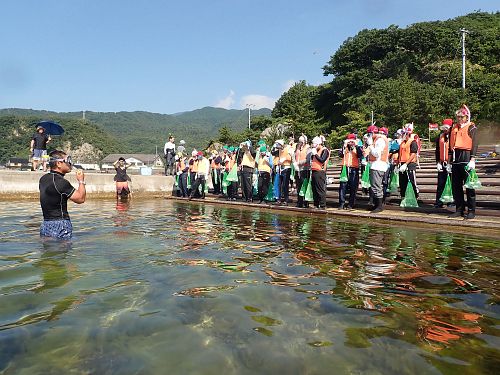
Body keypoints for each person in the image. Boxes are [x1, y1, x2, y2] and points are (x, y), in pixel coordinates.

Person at [39, 150, 86, 239]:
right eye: (68, 161)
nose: (70, 164)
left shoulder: (43, 179)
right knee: (63, 250)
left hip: (45, 224)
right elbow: (81, 199)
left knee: (49, 249)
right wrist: (81, 180)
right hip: (61, 224)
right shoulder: (61, 182)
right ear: (59, 163)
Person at [449, 105, 478, 219]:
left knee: (469, 186)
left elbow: (475, 143)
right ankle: (459, 209)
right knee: (456, 186)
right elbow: (451, 145)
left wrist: (473, 158)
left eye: (462, 117)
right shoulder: (454, 128)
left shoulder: (471, 128)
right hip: (456, 158)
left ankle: (471, 210)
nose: (459, 119)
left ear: (466, 117)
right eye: (458, 117)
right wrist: (449, 162)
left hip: (466, 157)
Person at [365, 126, 389, 213]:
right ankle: (376, 205)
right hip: (375, 165)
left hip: (378, 166)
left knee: (376, 186)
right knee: (374, 186)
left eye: (369, 134)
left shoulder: (380, 140)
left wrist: (370, 145)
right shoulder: (377, 139)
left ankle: (379, 206)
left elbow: (376, 153)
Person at [338, 133, 363, 210]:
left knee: (353, 187)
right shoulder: (345, 147)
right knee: (343, 186)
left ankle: (351, 204)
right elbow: (341, 154)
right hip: (345, 168)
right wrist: (344, 146)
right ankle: (341, 203)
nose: (351, 143)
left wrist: (356, 146)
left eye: (352, 141)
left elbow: (360, 155)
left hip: (354, 169)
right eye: (350, 141)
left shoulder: (357, 148)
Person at [398, 123, 420, 202]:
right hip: (402, 164)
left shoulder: (412, 142)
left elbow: (413, 154)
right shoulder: (402, 143)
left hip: (410, 164)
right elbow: (400, 154)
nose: (402, 135)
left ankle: (415, 196)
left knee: (412, 180)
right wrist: (398, 164)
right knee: (402, 182)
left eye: (404, 133)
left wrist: (406, 164)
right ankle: (403, 197)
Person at [434, 119, 453, 208]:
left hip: (451, 163)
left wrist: (450, 163)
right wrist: (438, 162)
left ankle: (451, 202)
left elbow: (453, 151)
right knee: (441, 183)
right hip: (442, 163)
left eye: (447, 128)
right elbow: (437, 151)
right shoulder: (440, 136)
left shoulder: (453, 136)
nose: (445, 130)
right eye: (444, 128)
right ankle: (439, 202)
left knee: (452, 183)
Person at [310, 136, 330, 209]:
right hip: (314, 171)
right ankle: (316, 204)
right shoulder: (316, 151)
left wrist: (315, 154)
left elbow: (322, 160)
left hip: (320, 172)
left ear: (318, 144)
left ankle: (322, 205)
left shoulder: (325, 150)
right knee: (314, 189)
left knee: (320, 189)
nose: (313, 145)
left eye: (314, 144)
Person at [293, 135, 311, 208]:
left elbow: (308, 159)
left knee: (305, 186)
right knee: (299, 186)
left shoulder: (308, 148)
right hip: (298, 170)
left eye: (301, 141)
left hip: (305, 169)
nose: (300, 143)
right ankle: (299, 201)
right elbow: (294, 156)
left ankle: (305, 202)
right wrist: (295, 163)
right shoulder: (297, 149)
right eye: (299, 141)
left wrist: (299, 163)